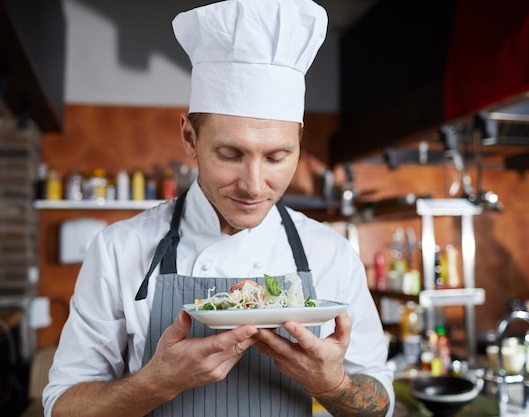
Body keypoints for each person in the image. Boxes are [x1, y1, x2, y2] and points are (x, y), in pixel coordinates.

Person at [43, 1, 394, 416]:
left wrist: (332, 384)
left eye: (278, 156)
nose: (254, 184)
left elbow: (379, 405)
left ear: (299, 142)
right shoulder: (119, 249)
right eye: (229, 154)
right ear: (190, 138)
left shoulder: (329, 253)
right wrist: (155, 383)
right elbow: (61, 408)